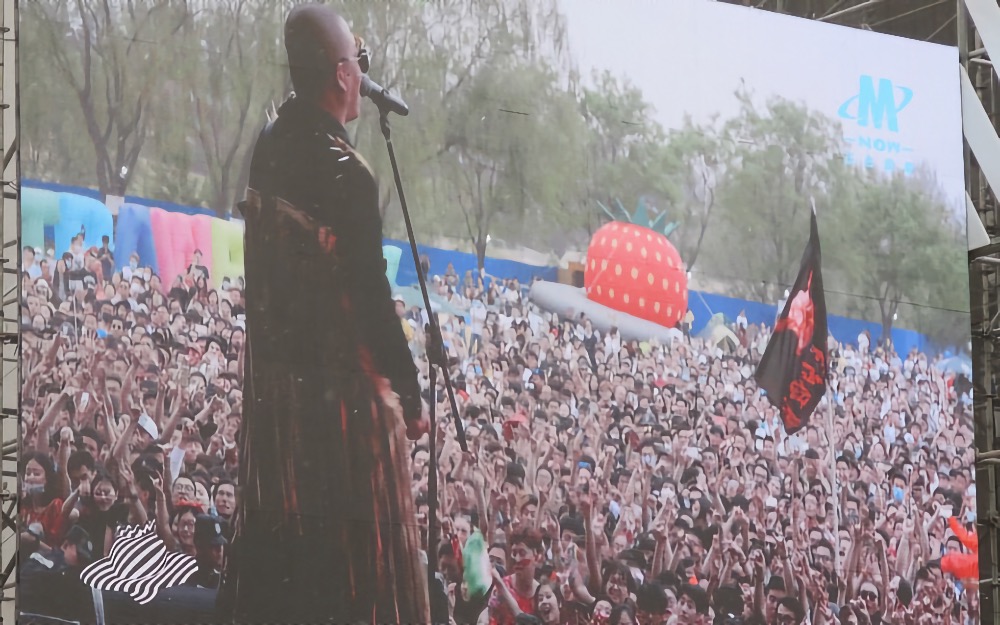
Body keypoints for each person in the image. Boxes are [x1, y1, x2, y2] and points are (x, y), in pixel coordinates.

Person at [216, 4, 429, 624]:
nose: (364, 71)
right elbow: (369, 300)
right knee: (349, 574)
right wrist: (411, 398)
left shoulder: (269, 143)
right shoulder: (349, 174)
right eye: (358, 59)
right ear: (342, 76)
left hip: (278, 411)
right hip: (337, 421)